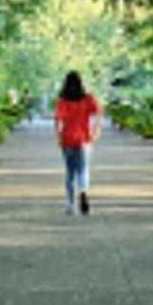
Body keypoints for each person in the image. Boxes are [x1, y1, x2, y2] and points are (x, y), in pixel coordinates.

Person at [53, 70, 101, 215]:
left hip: (67, 139)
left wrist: (58, 137)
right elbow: (98, 113)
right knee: (83, 170)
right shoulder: (87, 98)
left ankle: (70, 204)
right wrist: (96, 131)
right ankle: (83, 191)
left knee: (69, 172)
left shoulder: (62, 101)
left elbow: (57, 120)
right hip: (84, 139)